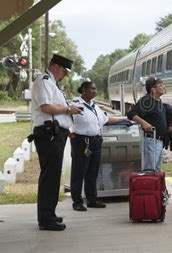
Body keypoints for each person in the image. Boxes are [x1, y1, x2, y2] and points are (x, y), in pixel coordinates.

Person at [30, 54, 83, 231]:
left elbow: (54, 111)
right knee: (49, 177)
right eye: (64, 71)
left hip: (54, 133)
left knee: (53, 176)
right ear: (55, 67)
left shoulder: (52, 82)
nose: (65, 75)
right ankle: (45, 219)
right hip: (48, 134)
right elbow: (45, 107)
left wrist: (66, 129)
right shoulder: (44, 80)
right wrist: (69, 109)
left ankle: (49, 214)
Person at [69, 81, 128, 212]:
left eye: (95, 89)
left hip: (95, 141)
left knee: (92, 172)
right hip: (81, 142)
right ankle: (77, 202)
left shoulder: (95, 107)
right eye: (92, 89)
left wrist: (123, 119)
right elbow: (63, 119)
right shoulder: (75, 105)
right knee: (79, 172)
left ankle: (92, 199)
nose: (95, 91)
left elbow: (106, 120)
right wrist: (69, 133)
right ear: (84, 90)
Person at [127, 77, 172, 171]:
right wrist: (143, 123)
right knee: (150, 170)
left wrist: (167, 126)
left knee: (156, 170)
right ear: (153, 89)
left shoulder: (158, 101)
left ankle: (155, 186)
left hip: (158, 141)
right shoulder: (146, 101)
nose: (163, 86)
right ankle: (147, 186)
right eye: (160, 85)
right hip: (151, 141)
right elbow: (131, 114)